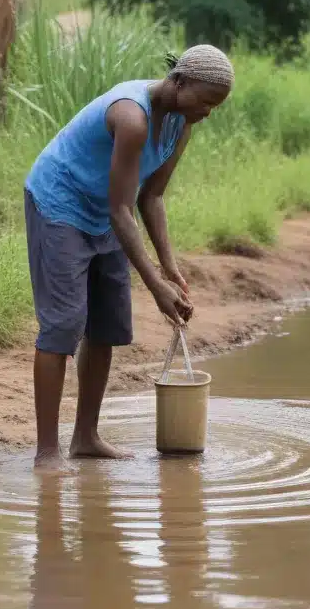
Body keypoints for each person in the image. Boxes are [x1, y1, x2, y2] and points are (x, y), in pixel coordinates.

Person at [23, 45, 234, 470]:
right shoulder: (131, 117)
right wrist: (154, 285)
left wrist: (170, 267)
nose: (209, 112)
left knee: (105, 327)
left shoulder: (181, 124)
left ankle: (85, 438)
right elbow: (122, 208)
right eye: (207, 100)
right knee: (63, 323)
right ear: (179, 82)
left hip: (105, 214)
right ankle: (47, 451)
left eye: (217, 105)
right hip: (60, 204)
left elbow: (151, 197)